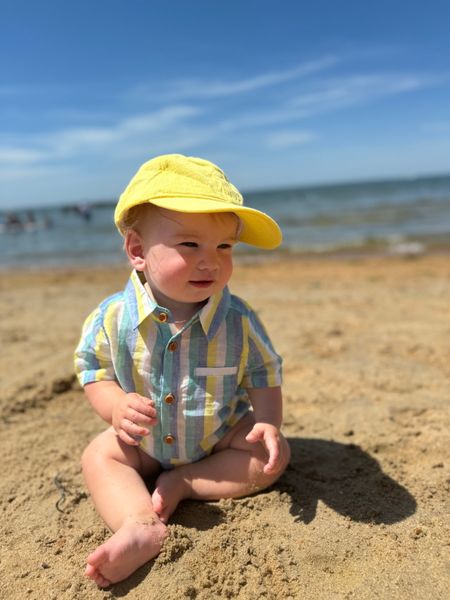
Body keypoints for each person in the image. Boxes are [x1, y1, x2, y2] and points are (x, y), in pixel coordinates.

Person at [74, 154, 291, 588]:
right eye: (190, 245)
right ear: (137, 251)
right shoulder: (112, 318)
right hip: (145, 442)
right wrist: (115, 405)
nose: (210, 261)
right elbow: (92, 369)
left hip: (218, 436)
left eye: (224, 247)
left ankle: (186, 482)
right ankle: (139, 522)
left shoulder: (238, 320)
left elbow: (265, 372)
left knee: (273, 458)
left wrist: (267, 422)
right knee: (99, 457)